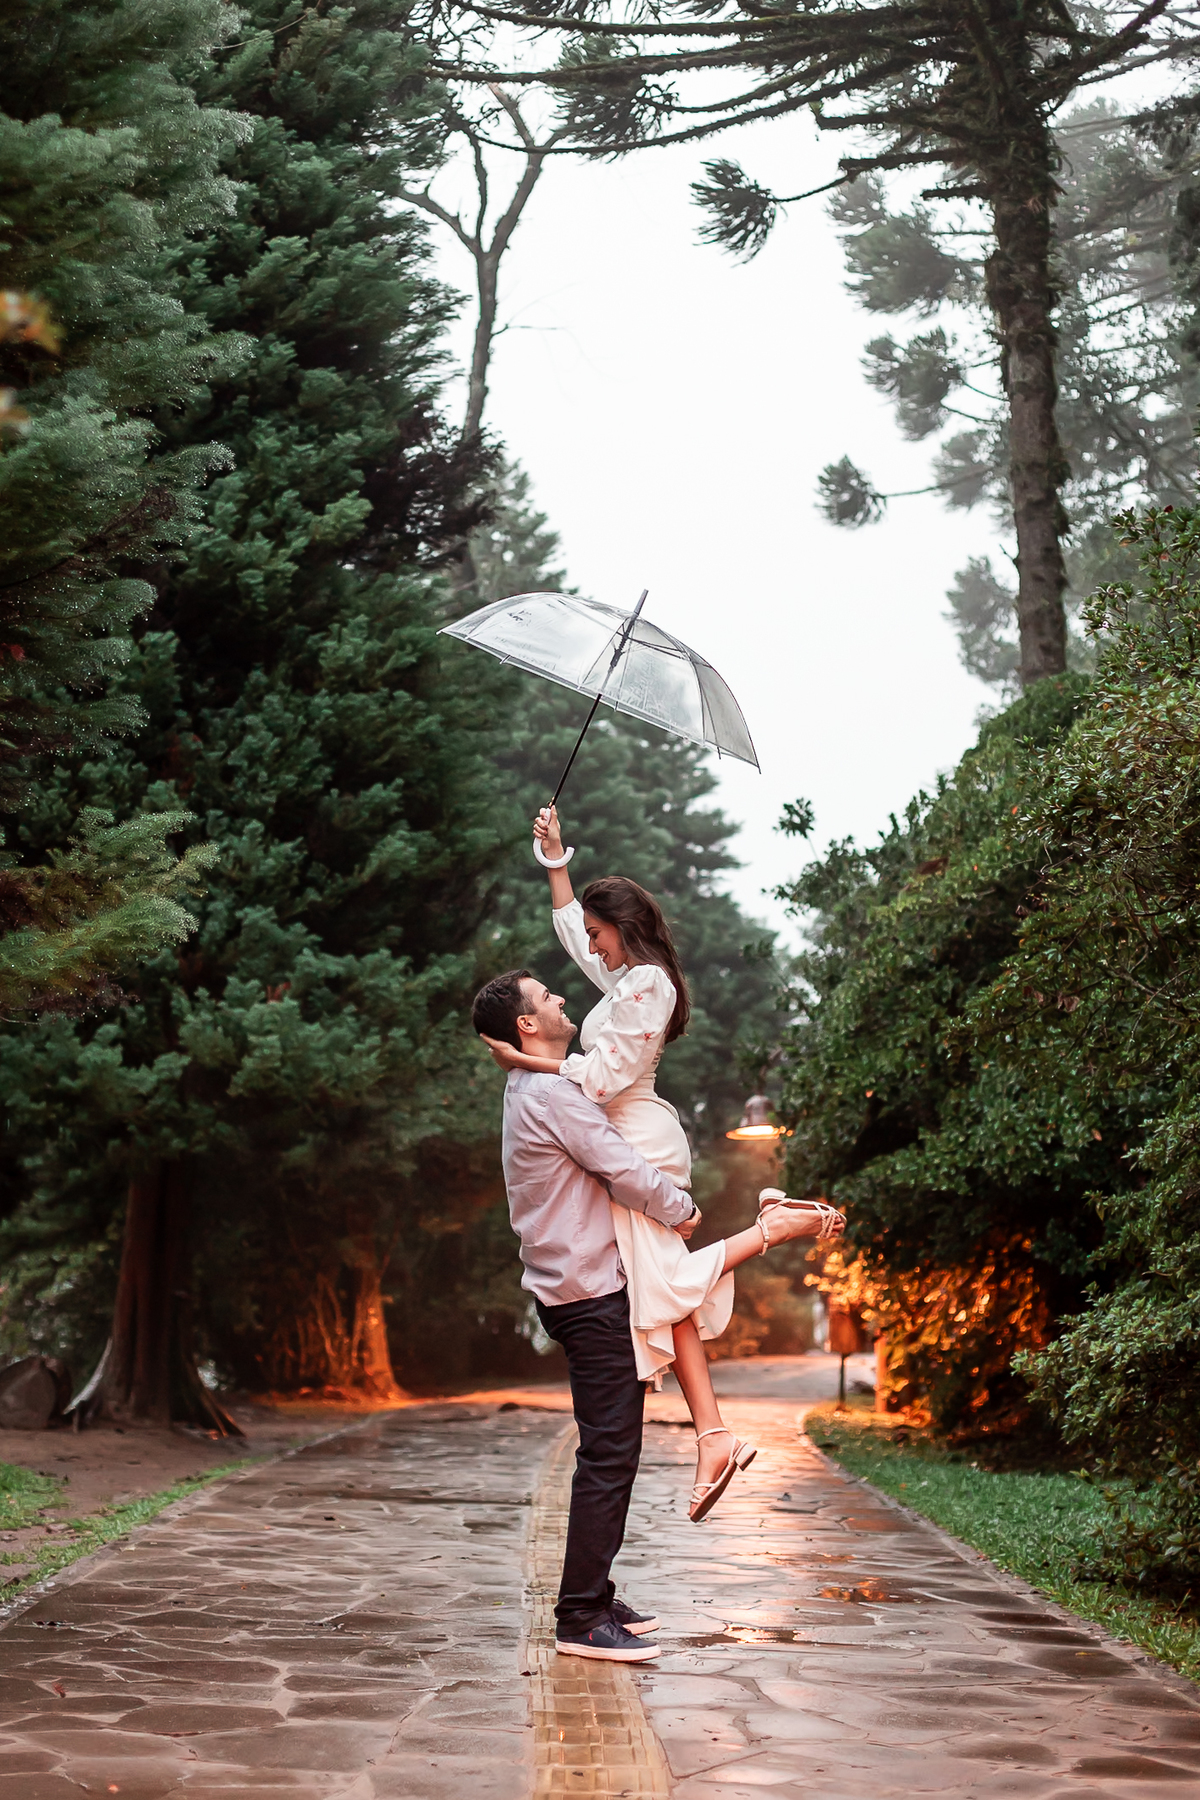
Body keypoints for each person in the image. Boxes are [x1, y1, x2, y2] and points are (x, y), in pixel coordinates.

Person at [478, 807, 845, 1522]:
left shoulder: (650, 987)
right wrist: (556, 862)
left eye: (596, 934)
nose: (590, 949)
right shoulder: (627, 981)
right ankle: (713, 1435)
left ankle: (776, 1226)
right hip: (618, 1137)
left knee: (669, 1283)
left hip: (634, 1139)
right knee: (662, 1296)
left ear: (621, 925)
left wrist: (524, 1059)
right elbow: (569, 934)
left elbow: (602, 1080)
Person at [471, 967, 839, 1662]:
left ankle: (595, 1592)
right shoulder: (552, 1095)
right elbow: (620, 1166)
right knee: (610, 1452)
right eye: (545, 998)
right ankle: (580, 1618)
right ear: (526, 1024)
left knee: (612, 1447)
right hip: (587, 1293)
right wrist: (683, 1208)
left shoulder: (532, 1083)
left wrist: (509, 1051)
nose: (558, 999)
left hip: (573, 1287)